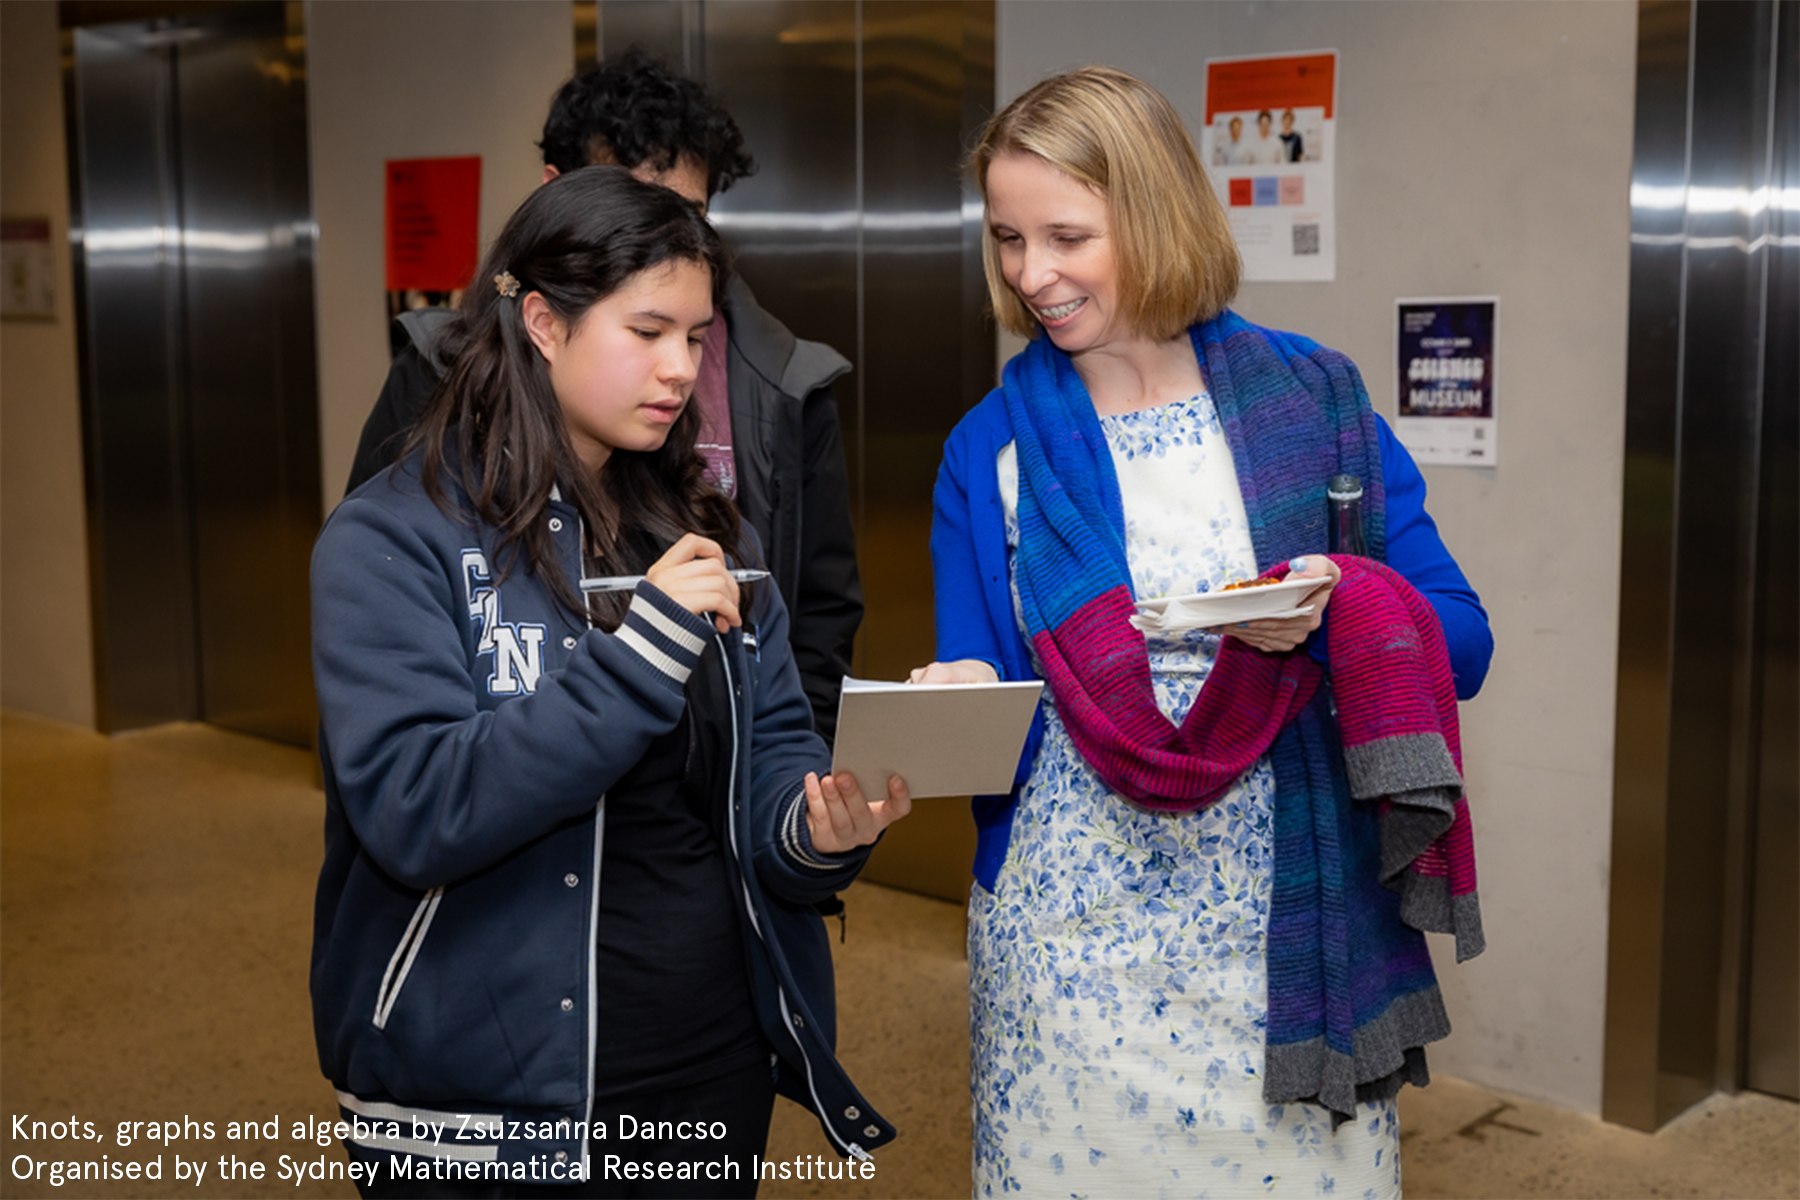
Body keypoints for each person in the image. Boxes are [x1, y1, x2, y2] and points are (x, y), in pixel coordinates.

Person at [913, 67, 1493, 1198]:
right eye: (1008, 239)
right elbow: (983, 676)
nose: (1031, 274)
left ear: (1156, 214)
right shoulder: (990, 447)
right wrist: (954, 689)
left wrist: (1340, 606)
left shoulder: (1315, 400)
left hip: (1286, 941)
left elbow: (1461, 646)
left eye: (1066, 237)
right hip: (1065, 952)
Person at [311, 168, 911, 1198]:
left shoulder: (710, 532)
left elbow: (769, 759)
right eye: (648, 331)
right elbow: (418, 808)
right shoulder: (394, 537)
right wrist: (639, 657)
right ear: (543, 323)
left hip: (707, 1062)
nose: (681, 369)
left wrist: (814, 832)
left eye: (697, 337)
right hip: (489, 1095)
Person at [348, 49, 862, 743]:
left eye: (687, 215)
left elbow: (811, 633)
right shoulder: (432, 396)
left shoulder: (779, 384)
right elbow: (393, 692)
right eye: (628, 207)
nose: (677, 370)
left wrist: (794, 776)